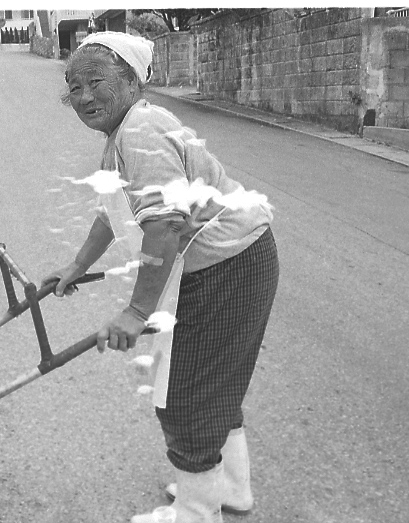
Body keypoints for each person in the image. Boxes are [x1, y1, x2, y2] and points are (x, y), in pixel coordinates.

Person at [42, 32, 279, 523]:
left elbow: (165, 223)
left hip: (229, 265)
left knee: (187, 393)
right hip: (233, 260)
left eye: (96, 82)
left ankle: (196, 511)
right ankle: (230, 488)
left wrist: (136, 311)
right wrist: (76, 266)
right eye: (74, 87)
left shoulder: (140, 130)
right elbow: (114, 211)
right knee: (213, 383)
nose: (83, 97)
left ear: (132, 81)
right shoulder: (124, 133)